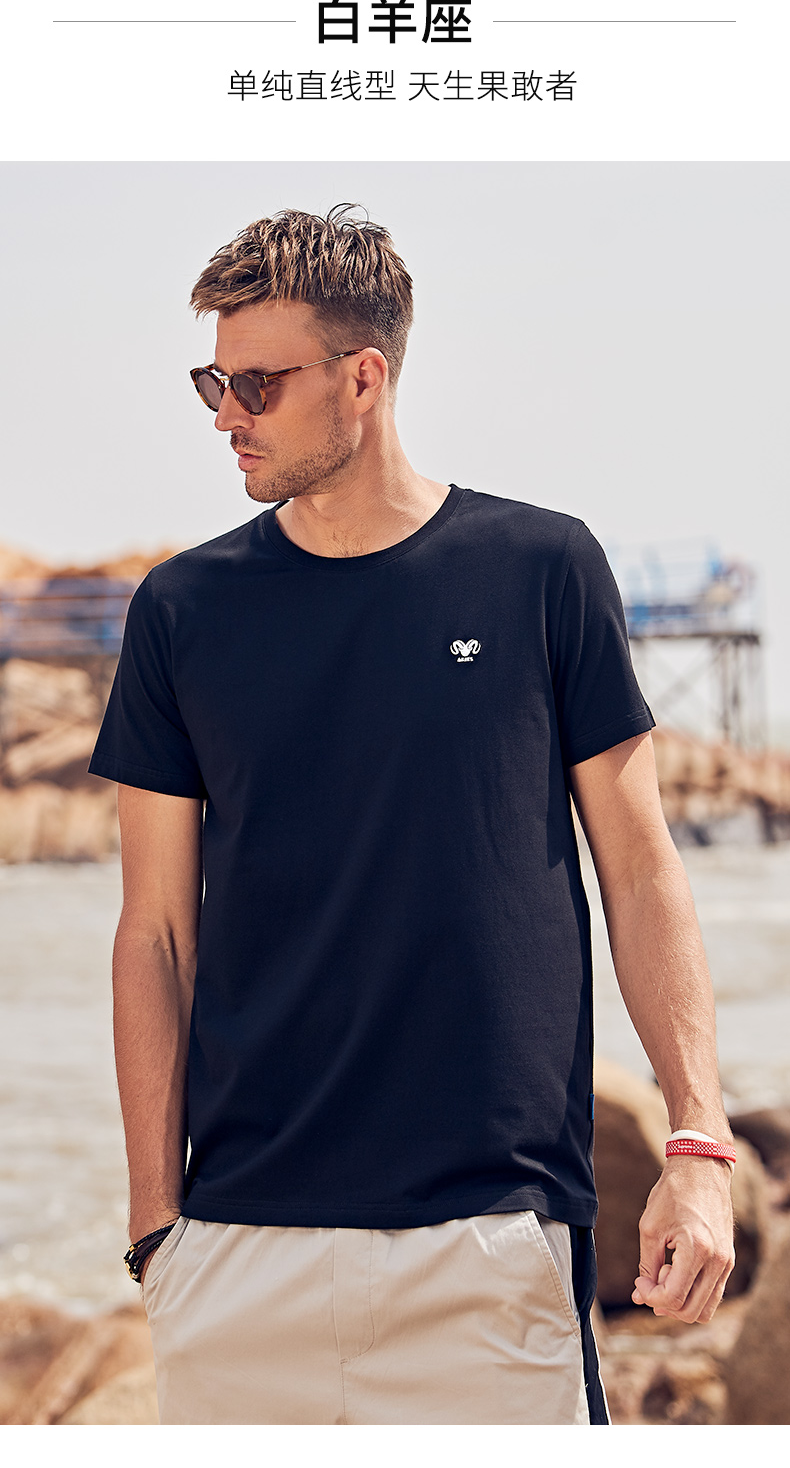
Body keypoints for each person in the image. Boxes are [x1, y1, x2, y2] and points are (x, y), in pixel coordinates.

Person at [89, 205, 736, 1426]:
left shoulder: (542, 570)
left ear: (363, 379)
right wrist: (155, 1229)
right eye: (213, 382)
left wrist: (696, 1147)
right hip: (239, 1255)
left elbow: (642, 873)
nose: (225, 414)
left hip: (488, 1249)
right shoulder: (181, 610)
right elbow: (155, 935)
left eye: (257, 385)